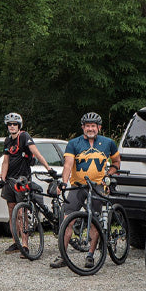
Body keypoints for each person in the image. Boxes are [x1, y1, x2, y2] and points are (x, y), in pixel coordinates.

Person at [51, 112, 120, 269]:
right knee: (67, 220)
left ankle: (90, 255)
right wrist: (63, 182)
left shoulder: (108, 143)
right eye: (87, 126)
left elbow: (116, 162)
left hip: (97, 186)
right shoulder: (73, 143)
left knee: (94, 221)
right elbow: (68, 164)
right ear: (83, 127)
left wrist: (108, 174)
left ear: (99, 127)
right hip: (78, 185)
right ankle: (63, 255)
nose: (90, 129)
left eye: (93, 126)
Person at [0, 112, 57, 256]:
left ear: (19, 125)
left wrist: (49, 169)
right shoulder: (7, 140)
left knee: (21, 212)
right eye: (10, 124)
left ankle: (25, 245)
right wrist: (2, 178)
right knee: (12, 212)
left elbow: (36, 153)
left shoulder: (24, 136)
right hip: (10, 180)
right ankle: (16, 242)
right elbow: (5, 161)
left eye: (15, 124)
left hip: (22, 179)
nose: (12, 126)